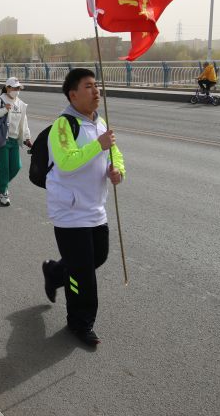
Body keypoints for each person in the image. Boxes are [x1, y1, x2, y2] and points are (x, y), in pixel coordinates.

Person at [41, 68, 125, 346]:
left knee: (96, 258)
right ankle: (80, 322)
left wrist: (117, 171)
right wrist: (97, 146)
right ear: (73, 94)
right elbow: (66, 164)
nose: (96, 90)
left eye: (96, 85)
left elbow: (116, 154)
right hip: (70, 211)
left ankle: (55, 272)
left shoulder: (100, 123)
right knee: (84, 275)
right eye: (88, 86)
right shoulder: (63, 126)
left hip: (95, 209)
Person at [0, 77, 32, 206]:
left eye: (18, 88)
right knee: (5, 167)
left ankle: (1, 182)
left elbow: (24, 123)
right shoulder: (0, 100)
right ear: (8, 88)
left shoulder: (21, 104)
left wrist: (27, 138)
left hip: (14, 140)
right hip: (1, 139)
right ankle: (3, 193)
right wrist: (4, 109)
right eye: (14, 88)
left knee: (16, 166)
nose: (17, 91)